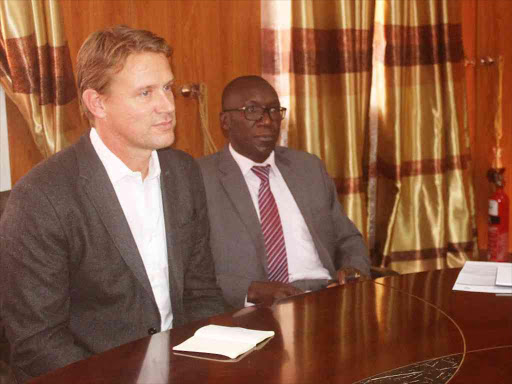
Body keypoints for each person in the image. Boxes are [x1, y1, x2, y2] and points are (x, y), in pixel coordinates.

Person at [0, 25, 224, 383]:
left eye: (167, 87)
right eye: (145, 93)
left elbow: (201, 293)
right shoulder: (42, 197)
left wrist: (205, 367)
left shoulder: (183, 172)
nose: (167, 106)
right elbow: (36, 342)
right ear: (97, 103)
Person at [198, 75, 371, 309]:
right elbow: (192, 270)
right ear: (226, 121)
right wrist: (251, 291)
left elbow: (348, 238)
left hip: (327, 298)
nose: (267, 121)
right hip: (253, 311)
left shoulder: (308, 167)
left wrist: (354, 268)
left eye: (273, 110)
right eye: (252, 110)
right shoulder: (200, 178)